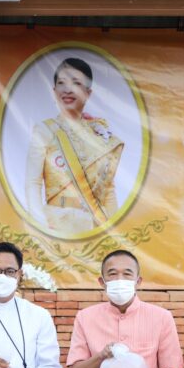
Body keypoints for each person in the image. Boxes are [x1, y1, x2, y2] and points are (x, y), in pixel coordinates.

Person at [25, 57, 124, 236]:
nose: (67, 89)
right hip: (58, 224)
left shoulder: (98, 134)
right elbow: (33, 182)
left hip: (95, 225)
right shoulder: (45, 130)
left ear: (88, 93)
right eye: (61, 83)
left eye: (76, 83)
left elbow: (108, 188)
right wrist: (41, 226)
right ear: (54, 91)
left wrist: (114, 231)